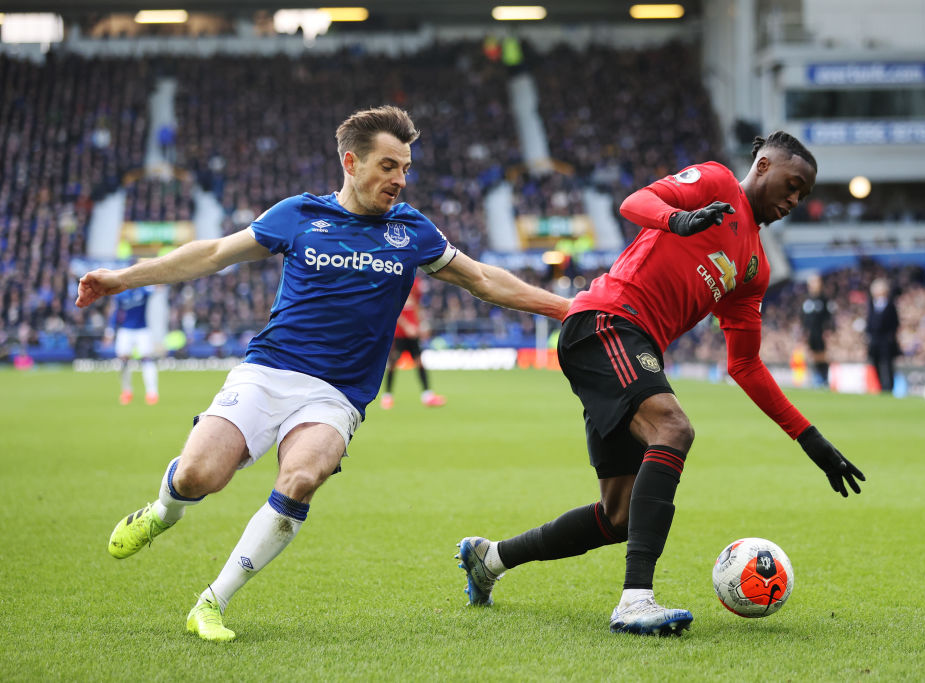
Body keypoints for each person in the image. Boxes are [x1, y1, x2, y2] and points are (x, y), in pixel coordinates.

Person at [76, 106, 570, 643]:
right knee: (200, 477)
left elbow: (483, 280)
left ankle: (211, 602)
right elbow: (215, 253)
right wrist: (122, 279)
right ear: (351, 163)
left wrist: (565, 309)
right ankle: (161, 512)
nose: (399, 180)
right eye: (388, 166)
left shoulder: (412, 233)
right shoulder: (299, 215)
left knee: (303, 476)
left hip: (337, 394)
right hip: (267, 373)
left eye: (405, 168)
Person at [456, 131, 865, 636]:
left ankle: (489, 558)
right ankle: (635, 601)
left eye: (803, 195)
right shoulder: (716, 183)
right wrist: (679, 218)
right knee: (673, 428)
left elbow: (746, 366)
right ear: (762, 165)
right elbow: (635, 202)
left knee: (618, 516)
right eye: (792, 184)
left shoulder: (754, 266)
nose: (794, 200)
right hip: (608, 320)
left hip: (628, 342)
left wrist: (811, 439)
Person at [380, 276, 445, 409]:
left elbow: (417, 305)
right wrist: (406, 326)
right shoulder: (395, 281)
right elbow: (393, 310)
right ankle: (387, 396)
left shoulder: (416, 283)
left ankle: (427, 395)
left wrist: (421, 325)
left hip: (413, 332)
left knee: (419, 362)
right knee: (393, 363)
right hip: (399, 333)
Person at [108, 285, 160, 405]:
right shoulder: (121, 295)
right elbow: (116, 313)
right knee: (122, 361)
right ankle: (127, 391)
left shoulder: (144, 291)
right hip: (125, 330)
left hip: (142, 330)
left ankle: (152, 393)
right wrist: (110, 330)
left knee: (147, 359)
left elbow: (158, 287)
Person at [866, 278, 900, 392]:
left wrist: (890, 338)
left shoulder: (890, 305)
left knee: (887, 365)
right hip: (875, 341)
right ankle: (880, 386)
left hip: (886, 342)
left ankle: (889, 387)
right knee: (876, 364)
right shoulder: (871, 304)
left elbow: (895, 323)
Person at [801, 273, 834, 387]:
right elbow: (803, 317)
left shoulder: (824, 299)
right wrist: (804, 331)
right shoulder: (806, 300)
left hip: (821, 331)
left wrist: (828, 330)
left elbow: (829, 316)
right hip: (810, 333)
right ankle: (817, 377)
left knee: (822, 354)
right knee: (813, 355)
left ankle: (824, 378)